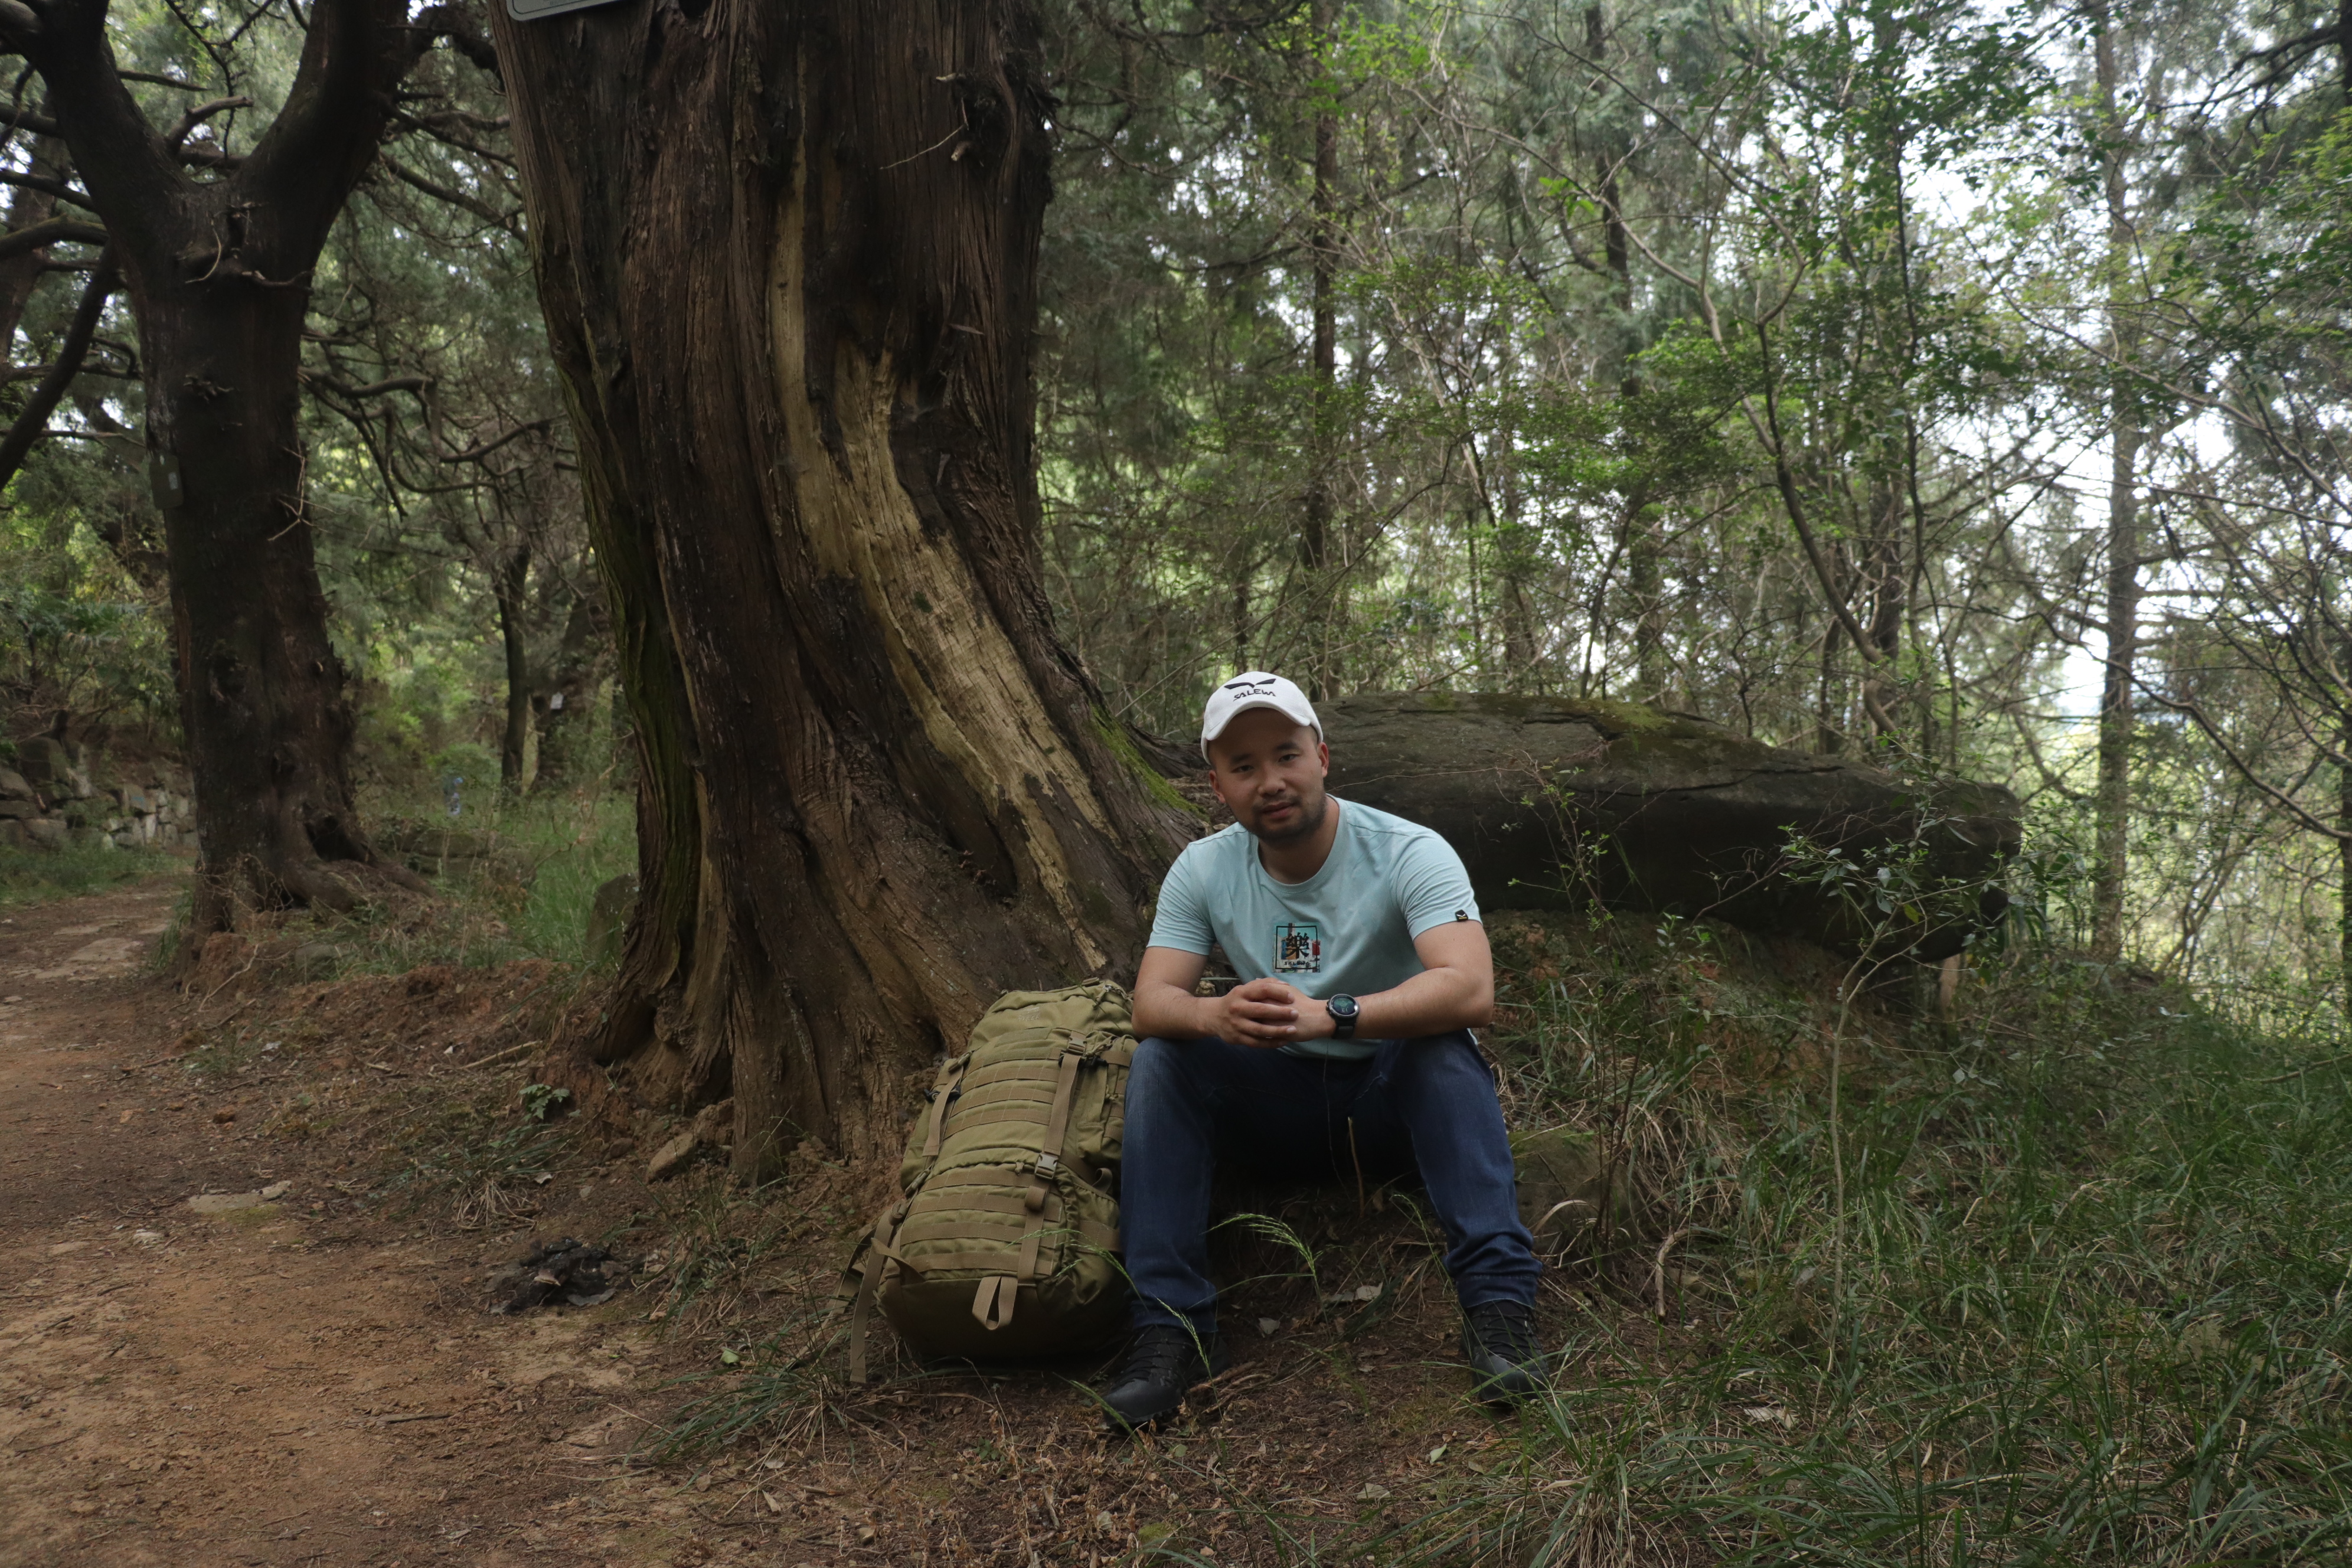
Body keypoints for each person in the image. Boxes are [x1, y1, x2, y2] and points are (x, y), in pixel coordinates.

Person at [1098, 671, 1544, 1432]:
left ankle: (1499, 1312)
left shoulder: (1408, 850)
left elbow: (1471, 990)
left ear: (1323, 756)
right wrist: (1216, 1017)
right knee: (1164, 1057)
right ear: (1218, 786)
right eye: (1244, 767)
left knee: (1441, 1043)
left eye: (1285, 755)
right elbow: (1152, 1004)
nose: (1270, 781)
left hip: (1387, 1102)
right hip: (1271, 1105)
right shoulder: (1203, 868)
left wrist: (1332, 1015)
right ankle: (1167, 1332)